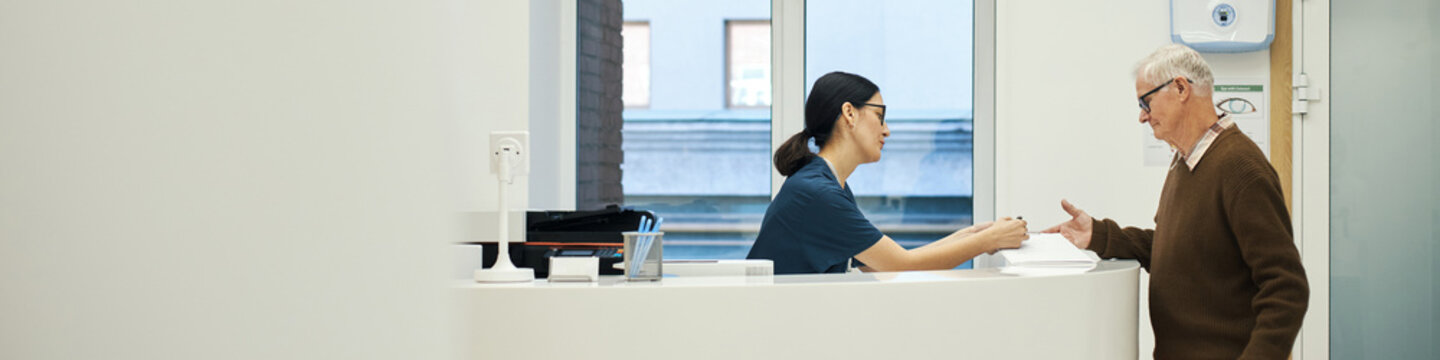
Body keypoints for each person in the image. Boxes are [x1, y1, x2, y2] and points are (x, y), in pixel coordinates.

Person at [1043, 44, 1309, 359]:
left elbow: (1286, 287)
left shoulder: (1240, 167)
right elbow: (1179, 251)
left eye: (1146, 101)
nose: (1142, 116)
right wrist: (1098, 235)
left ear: (1181, 88)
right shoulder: (1186, 162)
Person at [746, 71, 1028, 274]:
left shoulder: (828, 184)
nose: (886, 130)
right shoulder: (818, 194)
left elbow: (878, 262)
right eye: (880, 116)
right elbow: (901, 264)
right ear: (849, 113)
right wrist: (988, 240)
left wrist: (976, 233)